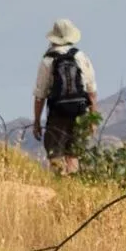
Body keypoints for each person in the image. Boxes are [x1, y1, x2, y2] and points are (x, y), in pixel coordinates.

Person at [32, 19, 97, 175]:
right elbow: (92, 92)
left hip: (58, 113)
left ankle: (60, 184)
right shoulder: (81, 57)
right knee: (74, 153)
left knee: (55, 153)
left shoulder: (48, 60)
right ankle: (73, 185)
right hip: (80, 112)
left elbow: (40, 95)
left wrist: (36, 122)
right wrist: (93, 119)